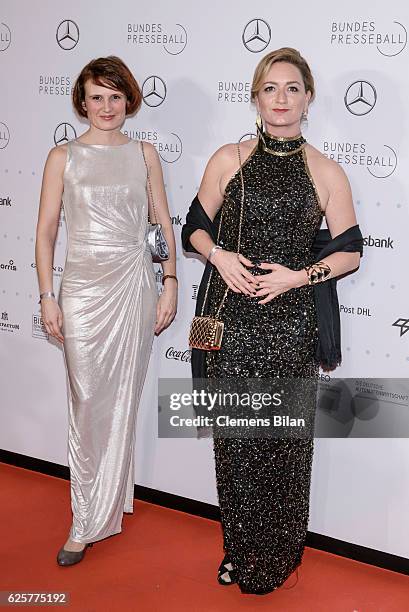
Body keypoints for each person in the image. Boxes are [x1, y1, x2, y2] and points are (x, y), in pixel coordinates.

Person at [182, 47, 362, 594]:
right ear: (255, 97)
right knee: (236, 442)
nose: (280, 99)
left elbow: (350, 251)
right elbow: (194, 224)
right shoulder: (228, 158)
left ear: (308, 98)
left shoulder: (326, 170)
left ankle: (276, 557)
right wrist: (220, 257)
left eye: (291, 88)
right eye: (270, 88)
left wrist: (297, 276)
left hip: (290, 328)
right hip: (233, 322)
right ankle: (237, 549)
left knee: (283, 445)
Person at [35, 56, 177, 566]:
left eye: (115, 96)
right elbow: (47, 231)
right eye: (97, 96)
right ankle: (90, 509)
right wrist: (47, 295)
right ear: (82, 101)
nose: (107, 106)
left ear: (129, 100)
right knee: (86, 400)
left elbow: (161, 225)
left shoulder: (144, 154)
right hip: (81, 290)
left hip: (134, 285)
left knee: (123, 399)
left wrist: (170, 282)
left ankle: (94, 515)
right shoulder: (63, 156)